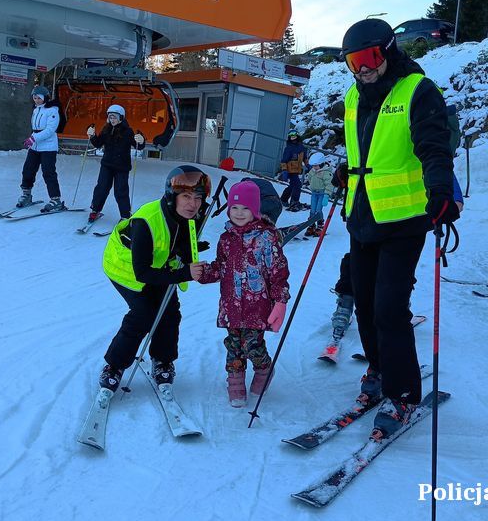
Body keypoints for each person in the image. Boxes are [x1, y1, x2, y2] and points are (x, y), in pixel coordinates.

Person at [339, 18, 459, 440]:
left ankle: (403, 392)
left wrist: (441, 189)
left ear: (389, 51)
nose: (362, 68)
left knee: (390, 309)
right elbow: (366, 147)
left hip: (404, 220)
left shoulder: (418, 90)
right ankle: (377, 365)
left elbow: (433, 146)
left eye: (369, 58)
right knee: (366, 306)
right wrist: (347, 171)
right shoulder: (354, 95)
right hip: (363, 216)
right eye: (354, 61)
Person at [325, 173, 465, 355]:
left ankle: (397, 309)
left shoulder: (420, 149)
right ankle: (346, 302)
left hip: (401, 230)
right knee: (353, 267)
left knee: (393, 277)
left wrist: (447, 202)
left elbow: (450, 187)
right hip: (366, 224)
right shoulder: (370, 148)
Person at [99, 165, 211, 391]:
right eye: (186, 197)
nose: (193, 204)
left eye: (198, 198)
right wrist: (184, 273)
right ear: (173, 197)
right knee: (144, 313)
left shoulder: (194, 215)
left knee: (169, 312)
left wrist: (190, 249)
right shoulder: (146, 221)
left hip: (158, 267)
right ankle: (114, 365)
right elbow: (143, 273)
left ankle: (163, 360)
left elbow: (176, 238)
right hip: (125, 268)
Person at [198, 181, 290, 407]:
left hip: (256, 306)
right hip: (231, 306)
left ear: (255, 210)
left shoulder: (267, 238)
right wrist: (203, 273)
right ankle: (235, 384)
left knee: (252, 345)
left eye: (245, 208)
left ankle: (264, 370)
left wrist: (280, 301)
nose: (239, 213)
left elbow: (278, 272)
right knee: (234, 345)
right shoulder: (226, 239)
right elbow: (221, 266)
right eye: (234, 208)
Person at [87, 104, 145, 223]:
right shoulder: (106, 129)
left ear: (121, 118)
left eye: (114, 117)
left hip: (122, 167)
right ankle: (95, 210)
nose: (112, 120)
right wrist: (92, 136)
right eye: (110, 117)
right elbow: (98, 143)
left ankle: (125, 215)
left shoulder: (127, 131)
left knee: (120, 190)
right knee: (101, 188)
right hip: (107, 165)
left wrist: (142, 140)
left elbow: (138, 146)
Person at [17, 85, 64, 213]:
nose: (36, 100)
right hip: (35, 145)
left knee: (48, 172)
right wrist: (31, 139)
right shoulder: (36, 110)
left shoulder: (53, 111)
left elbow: (50, 130)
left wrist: (34, 138)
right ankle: (26, 194)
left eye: (39, 98)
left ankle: (55, 199)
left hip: (48, 147)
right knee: (28, 169)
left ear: (45, 98)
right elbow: (35, 128)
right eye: (35, 98)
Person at [304, 152, 333, 237]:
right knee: (312, 210)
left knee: (318, 210)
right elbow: (309, 178)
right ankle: (311, 225)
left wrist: (326, 195)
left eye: (316, 166)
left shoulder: (326, 173)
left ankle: (320, 226)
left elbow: (329, 184)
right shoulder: (312, 171)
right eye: (313, 166)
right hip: (314, 193)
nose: (314, 168)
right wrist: (312, 186)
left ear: (321, 164)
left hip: (322, 194)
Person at [279, 130, 308, 211]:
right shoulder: (289, 148)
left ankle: (284, 199)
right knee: (297, 185)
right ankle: (294, 202)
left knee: (292, 185)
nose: (293, 138)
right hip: (290, 170)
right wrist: (284, 170)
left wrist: (307, 165)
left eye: (294, 136)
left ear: (297, 137)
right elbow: (284, 160)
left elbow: (305, 158)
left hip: (297, 169)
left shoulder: (301, 147)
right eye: (291, 137)